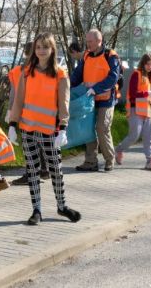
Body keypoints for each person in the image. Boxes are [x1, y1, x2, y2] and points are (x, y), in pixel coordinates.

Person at [8, 32, 81, 225]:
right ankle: (36, 209)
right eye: (38, 47)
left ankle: (62, 206)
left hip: (50, 131)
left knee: (56, 169)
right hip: (28, 129)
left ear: (52, 49)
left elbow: (64, 103)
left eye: (45, 47)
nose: (41, 51)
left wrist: (63, 128)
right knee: (32, 170)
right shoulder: (26, 72)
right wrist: (13, 124)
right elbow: (19, 99)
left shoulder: (60, 74)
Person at [70, 29, 120, 172]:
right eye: (87, 41)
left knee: (101, 128)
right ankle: (91, 161)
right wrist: (66, 86)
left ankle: (110, 160)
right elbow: (77, 75)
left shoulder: (110, 56)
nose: (88, 44)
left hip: (106, 99)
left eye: (90, 41)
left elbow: (113, 77)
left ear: (99, 41)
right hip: (89, 99)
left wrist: (96, 88)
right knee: (88, 129)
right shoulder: (86, 56)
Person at [7, 42, 50, 185]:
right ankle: (43, 170)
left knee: (29, 144)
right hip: (43, 113)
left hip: (26, 113)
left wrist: (10, 111)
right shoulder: (46, 70)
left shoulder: (19, 71)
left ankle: (31, 174)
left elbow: (14, 94)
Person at [115, 53, 151, 171]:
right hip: (135, 109)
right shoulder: (136, 74)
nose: (150, 66)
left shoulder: (149, 77)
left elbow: (144, 95)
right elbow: (133, 94)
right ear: (143, 63)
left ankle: (150, 160)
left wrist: (150, 99)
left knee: (148, 137)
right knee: (134, 136)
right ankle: (119, 149)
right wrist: (148, 94)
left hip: (146, 110)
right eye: (148, 64)